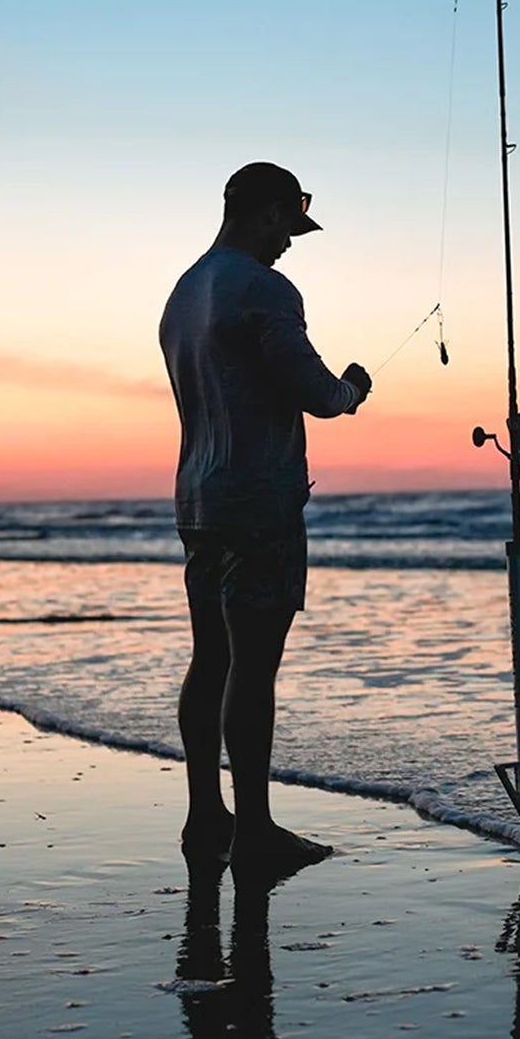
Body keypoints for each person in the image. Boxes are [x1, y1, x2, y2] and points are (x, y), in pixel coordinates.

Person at [159, 162, 372, 873]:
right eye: (288, 226)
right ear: (268, 210)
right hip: (258, 502)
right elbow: (314, 391)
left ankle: (205, 816)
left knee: (210, 658)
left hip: (199, 498)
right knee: (253, 666)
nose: (290, 243)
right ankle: (253, 831)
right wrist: (352, 391)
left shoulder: (183, 294)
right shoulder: (264, 288)